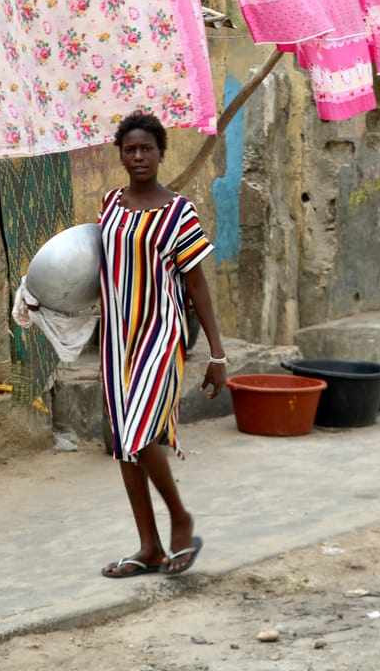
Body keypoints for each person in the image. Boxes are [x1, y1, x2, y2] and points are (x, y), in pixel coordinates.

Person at [99, 110, 226, 578]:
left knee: (138, 432)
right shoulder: (110, 205)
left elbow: (197, 285)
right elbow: (99, 266)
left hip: (161, 335)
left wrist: (217, 354)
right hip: (117, 341)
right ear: (121, 155)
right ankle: (149, 547)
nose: (138, 156)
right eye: (130, 149)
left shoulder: (179, 212)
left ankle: (180, 518)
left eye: (146, 149)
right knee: (124, 444)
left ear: (160, 153)